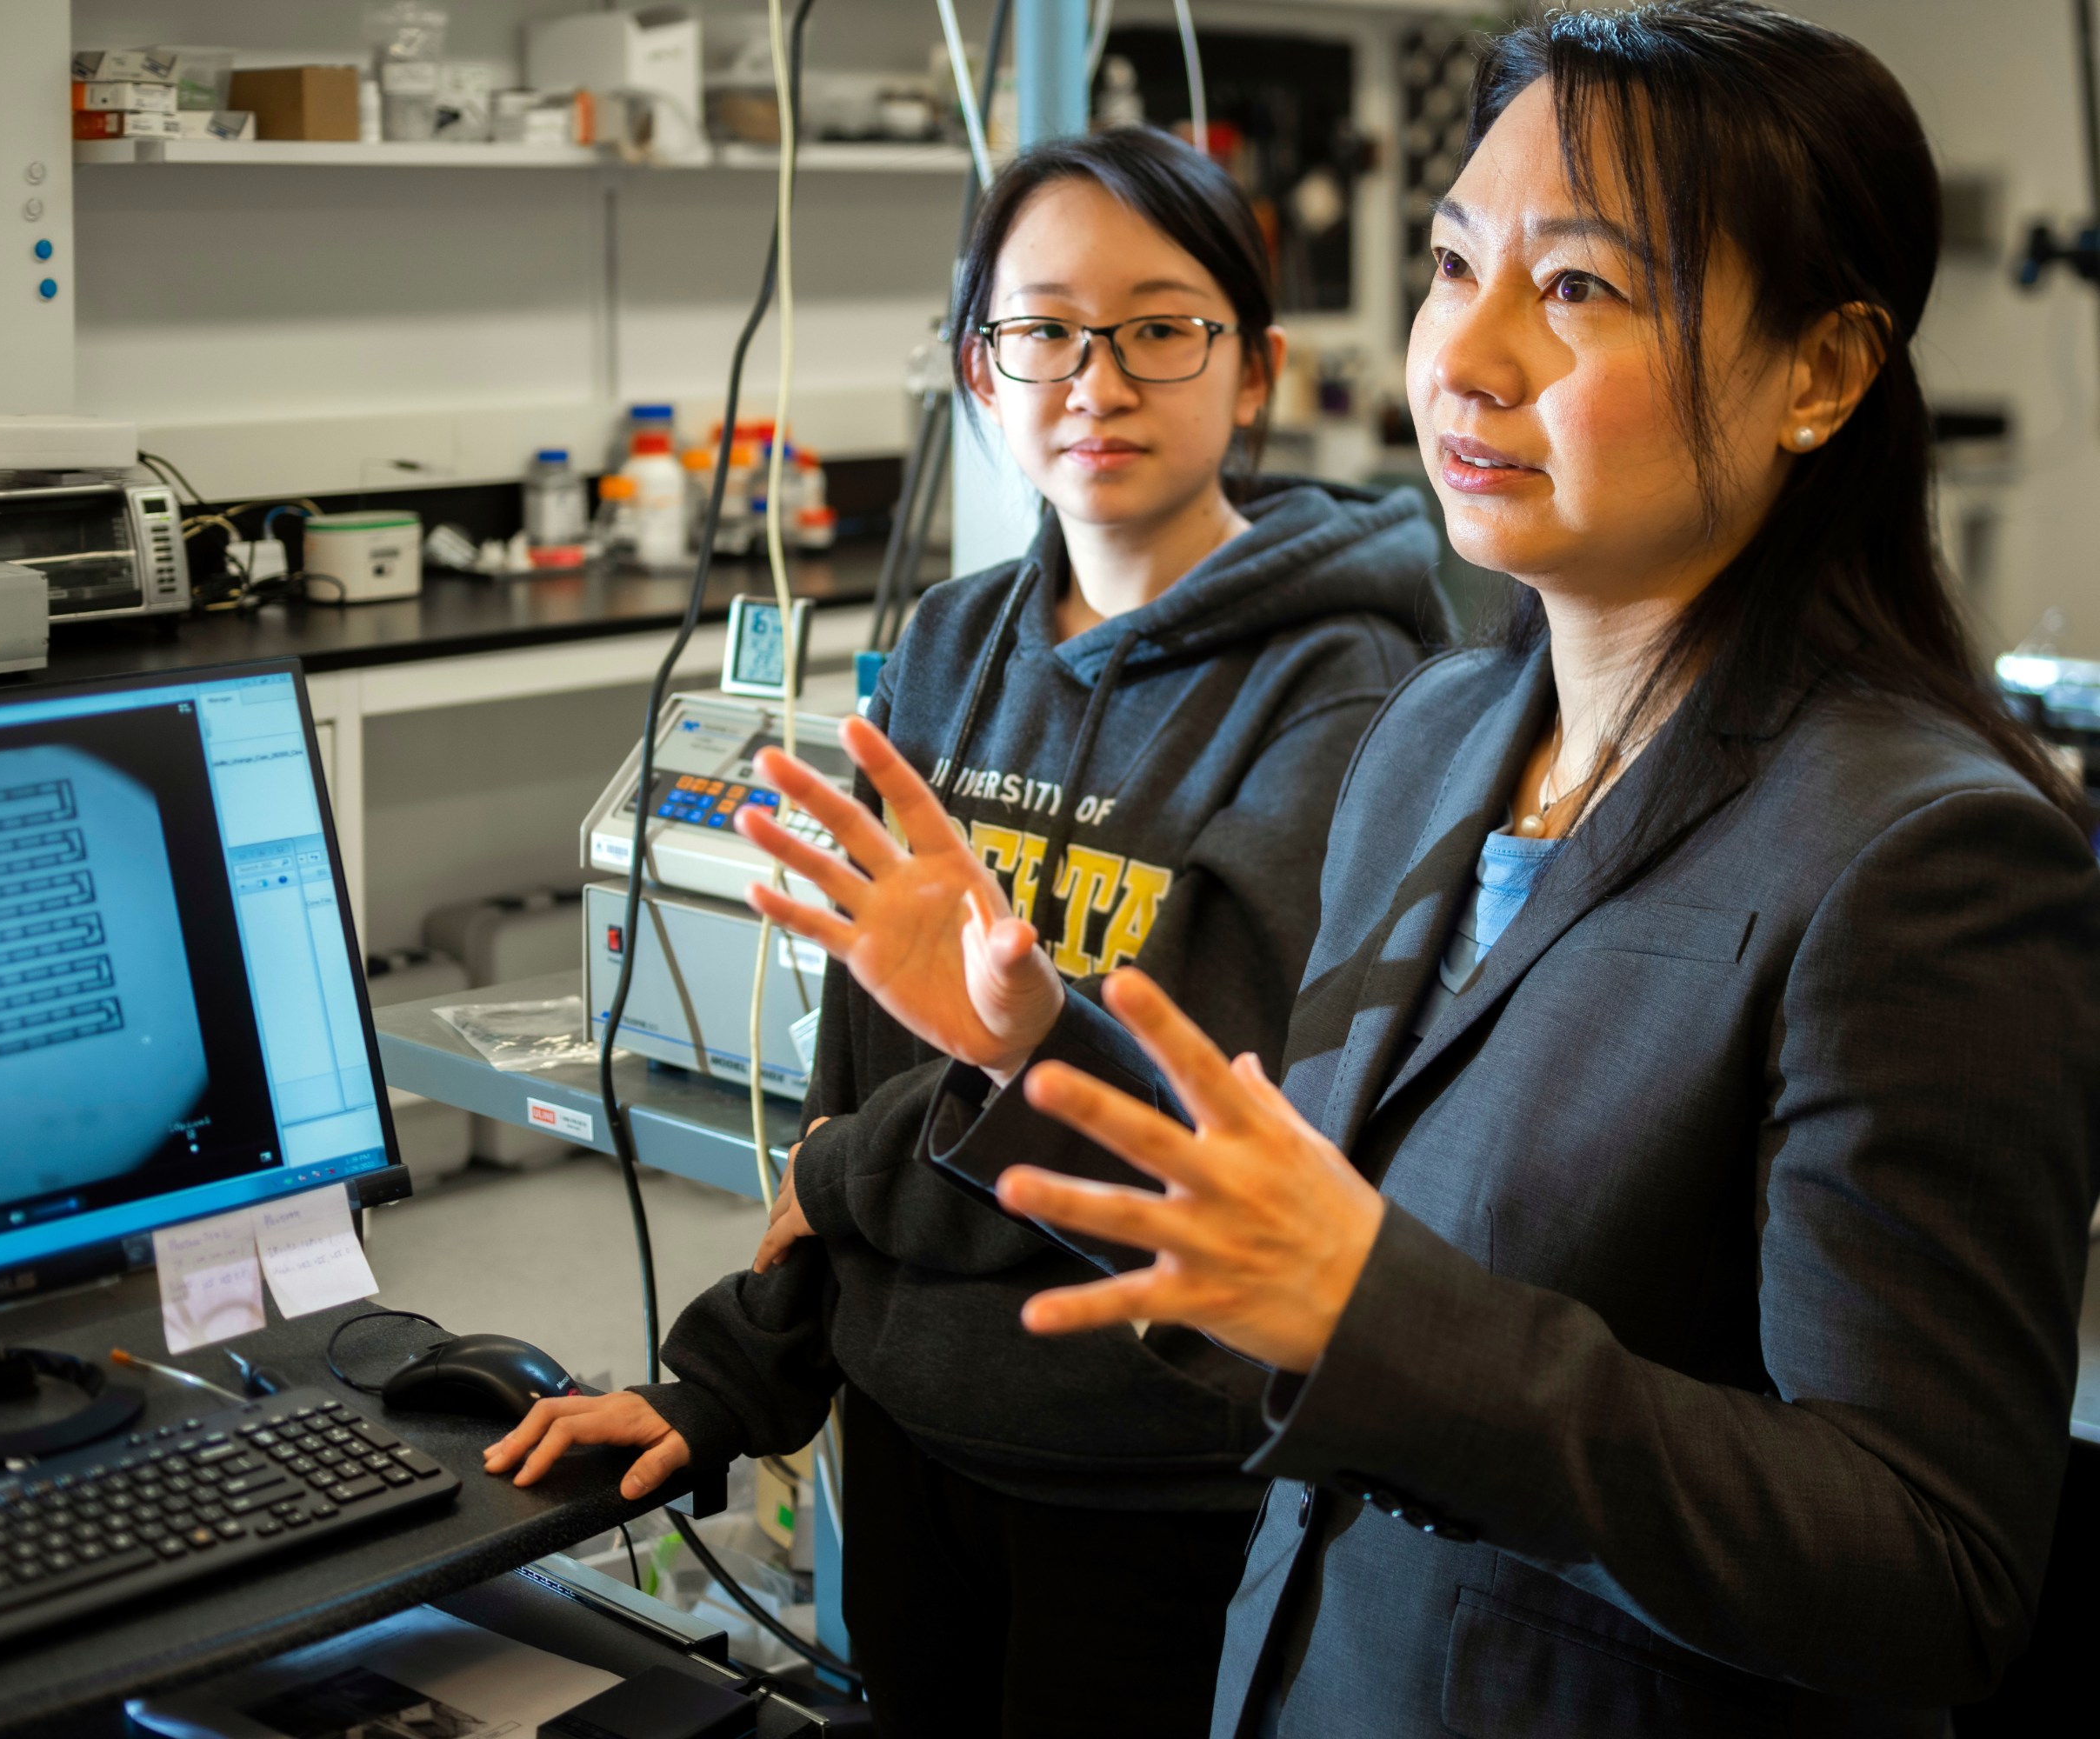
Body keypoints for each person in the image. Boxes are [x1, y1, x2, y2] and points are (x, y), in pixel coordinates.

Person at [717, 4, 2100, 1734]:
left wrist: (1384, 1318)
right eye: (1457, 266)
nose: (1468, 355)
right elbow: (1297, 1246)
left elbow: (1926, 1572)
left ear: (1818, 373)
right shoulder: (1440, 741)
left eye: (1581, 288)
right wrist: (1036, 1056)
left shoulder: (1926, 861)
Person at [485, 128, 1440, 1736]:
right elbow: (857, 1062)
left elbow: (1185, 1129)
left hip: (1157, 1484)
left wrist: (846, 1172)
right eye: (1044, 329)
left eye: (1160, 325)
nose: (1098, 377)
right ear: (978, 373)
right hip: (913, 1447)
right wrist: (730, 1383)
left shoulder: (1340, 692)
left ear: (1255, 368)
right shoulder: (945, 644)